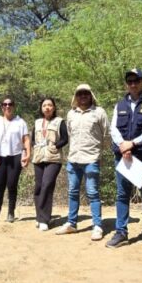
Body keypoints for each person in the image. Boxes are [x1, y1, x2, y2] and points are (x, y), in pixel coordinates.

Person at [107, 68, 142, 255]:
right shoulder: (119, 105)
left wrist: (133, 143)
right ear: (126, 84)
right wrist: (123, 145)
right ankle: (121, 232)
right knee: (122, 194)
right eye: (130, 81)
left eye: (136, 81)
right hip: (123, 155)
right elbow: (113, 128)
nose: (133, 84)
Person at [55, 84, 109, 241]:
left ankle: (97, 226)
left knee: (92, 192)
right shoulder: (71, 114)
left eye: (86, 93)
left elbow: (106, 135)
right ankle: (71, 223)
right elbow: (70, 135)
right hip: (73, 159)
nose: (83, 96)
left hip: (91, 159)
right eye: (80, 94)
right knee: (72, 192)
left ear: (91, 95)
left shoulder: (99, 112)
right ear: (76, 97)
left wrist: (99, 154)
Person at [0, 97, 30, 223]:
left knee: (12, 185)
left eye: (10, 104)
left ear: (14, 106)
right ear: (2, 107)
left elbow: (26, 139)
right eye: (5, 104)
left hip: (15, 156)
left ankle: (11, 213)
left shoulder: (20, 122)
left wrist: (28, 154)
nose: (7, 106)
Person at [30, 97, 67, 231]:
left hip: (53, 158)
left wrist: (56, 146)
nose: (47, 107)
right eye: (44, 105)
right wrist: (35, 146)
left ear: (54, 107)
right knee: (39, 187)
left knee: (47, 184)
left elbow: (65, 138)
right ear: (41, 108)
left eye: (50, 105)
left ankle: (44, 219)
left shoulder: (59, 122)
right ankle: (40, 216)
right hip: (39, 157)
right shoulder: (38, 122)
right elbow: (33, 138)